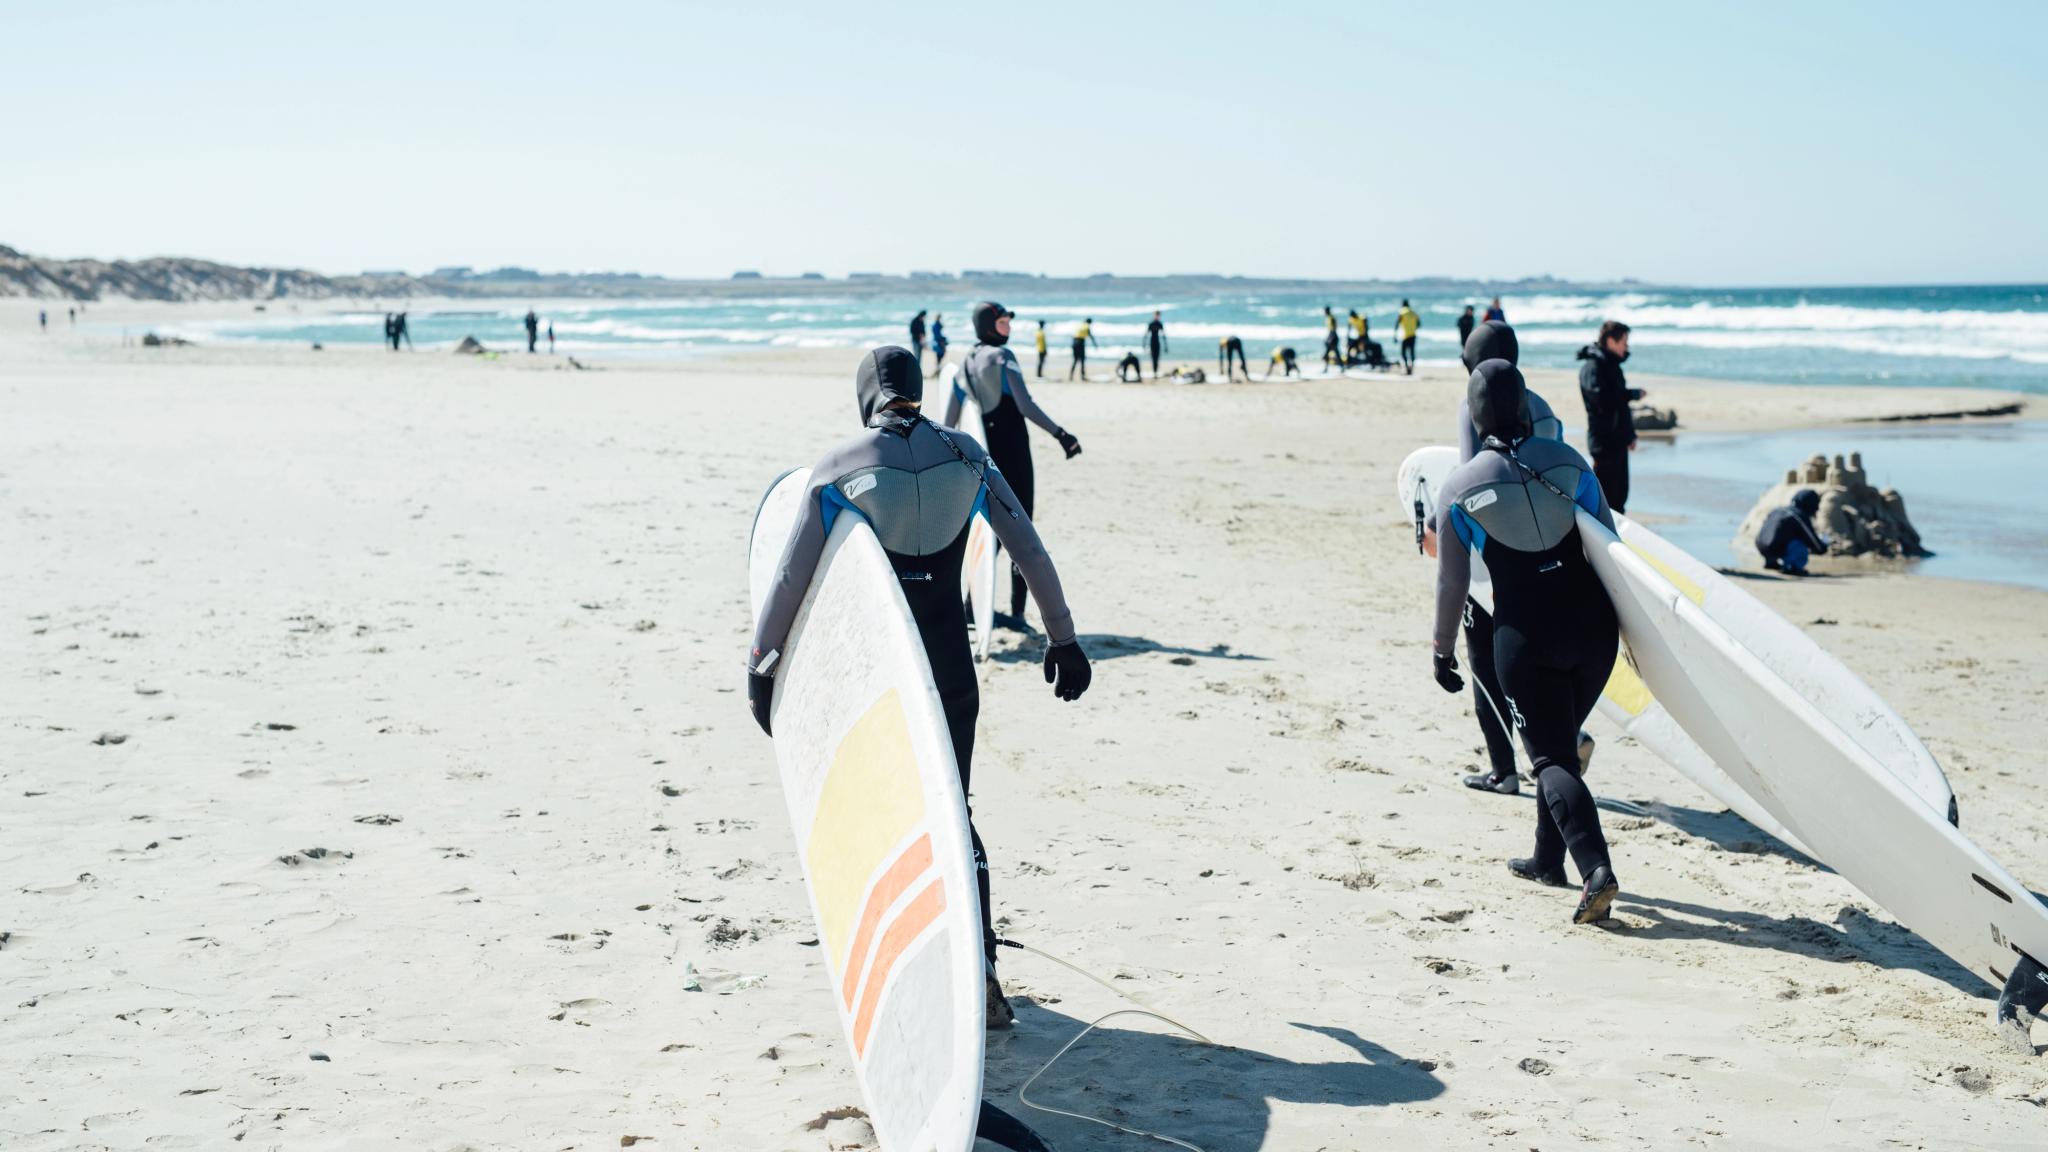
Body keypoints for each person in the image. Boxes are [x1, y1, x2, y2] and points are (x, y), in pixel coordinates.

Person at [751, 344, 1093, 1028]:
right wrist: (1063, 638)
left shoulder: (839, 470)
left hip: (880, 680)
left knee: (889, 815)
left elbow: (790, 582)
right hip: (952, 676)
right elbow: (1029, 548)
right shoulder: (966, 457)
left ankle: (910, 960)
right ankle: (983, 961)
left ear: (863, 397)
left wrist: (762, 668)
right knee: (952, 808)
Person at [1432, 358, 1621, 924]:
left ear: (1474, 414)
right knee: (1559, 740)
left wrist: (1442, 651)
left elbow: (1453, 582)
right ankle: (1547, 859)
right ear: (1522, 406)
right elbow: (1611, 550)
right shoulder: (1570, 461)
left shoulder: (1460, 489)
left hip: (1526, 636)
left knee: (1551, 758)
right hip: (1594, 630)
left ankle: (1596, 871)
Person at [1427, 322, 1584, 797]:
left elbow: (1476, 475)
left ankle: (1504, 769)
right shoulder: (1544, 407)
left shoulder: (1473, 403)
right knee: (1544, 664)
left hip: (1495, 559)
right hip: (1557, 557)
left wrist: (1439, 529)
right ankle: (1567, 741)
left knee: (1485, 662)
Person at [944, 302, 1085, 629]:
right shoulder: (1003, 358)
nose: (1009, 327)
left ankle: (970, 605)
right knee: (1023, 533)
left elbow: (949, 423)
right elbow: (1026, 405)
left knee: (992, 531)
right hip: (1015, 455)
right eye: (1004, 321)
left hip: (986, 457)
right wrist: (1061, 435)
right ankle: (1018, 613)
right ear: (990, 325)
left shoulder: (965, 364)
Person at [1577, 319, 1642, 513]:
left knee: (1620, 497)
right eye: (1624, 341)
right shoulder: (1593, 367)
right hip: (1604, 443)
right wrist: (1631, 394)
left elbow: (1621, 408)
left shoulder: (1613, 365)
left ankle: (1616, 538)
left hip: (1619, 441)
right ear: (1612, 341)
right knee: (1604, 500)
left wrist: (1630, 434)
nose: (1627, 346)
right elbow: (1602, 401)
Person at [1756, 489, 1829, 575]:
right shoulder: (1798, 516)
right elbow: (1814, 542)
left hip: (1760, 544)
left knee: (1782, 536)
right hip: (1774, 546)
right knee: (1800, 543)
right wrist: (1823, 546)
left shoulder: (1778, 510)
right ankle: (1792, 567)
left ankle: (1771, 562)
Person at [1395, 299, 1421, 375]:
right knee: (1412, 352)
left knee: (1403, 353)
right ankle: (1411, 369)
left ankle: (1407, 368)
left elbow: (1397, 323)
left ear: (1403, 304)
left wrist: (1395, 335)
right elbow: (1419, 324)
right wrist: (1412, 328)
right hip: (1413, 335)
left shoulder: (1402, 311)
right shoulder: (1414, 312)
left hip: (1406, 336)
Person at [1144, 311, 1167, 377]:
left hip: (1157, 343)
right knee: (1153, 359)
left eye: (1158, 315)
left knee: (1157, 359)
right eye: (1156, 315)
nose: (1157, 316)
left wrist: (1166, 346)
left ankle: (1155, 372)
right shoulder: (1151, 324)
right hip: (1152, 343)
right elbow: (1146, 334)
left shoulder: (1160, 324)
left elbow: (1163, 335)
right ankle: (1154, 372)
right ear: (1154, 315)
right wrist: (1144, 344)